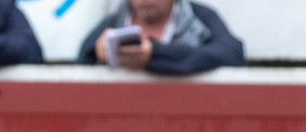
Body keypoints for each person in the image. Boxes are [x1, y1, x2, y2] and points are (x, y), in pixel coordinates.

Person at [76, 0, 245, 74]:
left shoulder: (201, 18)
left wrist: (154, 55)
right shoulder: (111, 23)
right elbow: (79, 69)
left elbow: (233, 54)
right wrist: (99, 56)